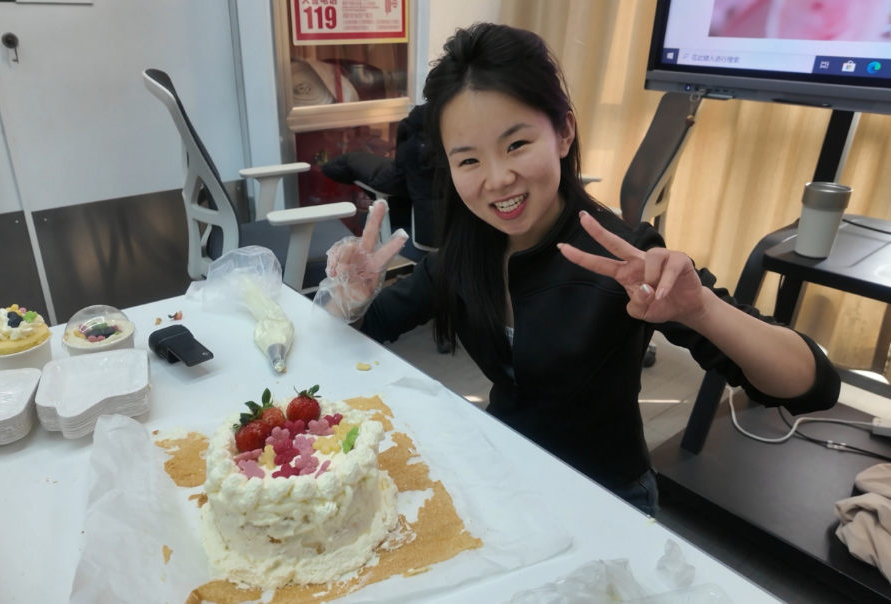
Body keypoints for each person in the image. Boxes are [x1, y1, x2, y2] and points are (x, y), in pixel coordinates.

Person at [313, 23, 841, 515]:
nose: (497, 178)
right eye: (469, 159)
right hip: (504, 472)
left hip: (608, 498)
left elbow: (810, 385)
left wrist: (701, 310)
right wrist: (347, 297)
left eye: (517, 144)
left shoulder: (623, 254)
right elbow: (363, 329)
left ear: (563, 133)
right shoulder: (466, 252)